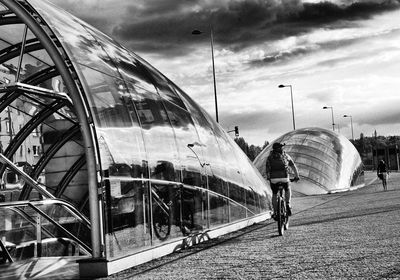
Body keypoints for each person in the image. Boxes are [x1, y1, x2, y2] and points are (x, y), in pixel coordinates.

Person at [266, 142, 300, 219]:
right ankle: (288, 204)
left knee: (274, 194)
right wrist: (297, 176)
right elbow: (293, 166)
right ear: (281, 148)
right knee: (287, 189)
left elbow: (267, 169)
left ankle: (275, 212)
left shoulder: (269, 157)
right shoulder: (286, 156)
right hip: (284, 178)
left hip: (274, 179)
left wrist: (269, 178)